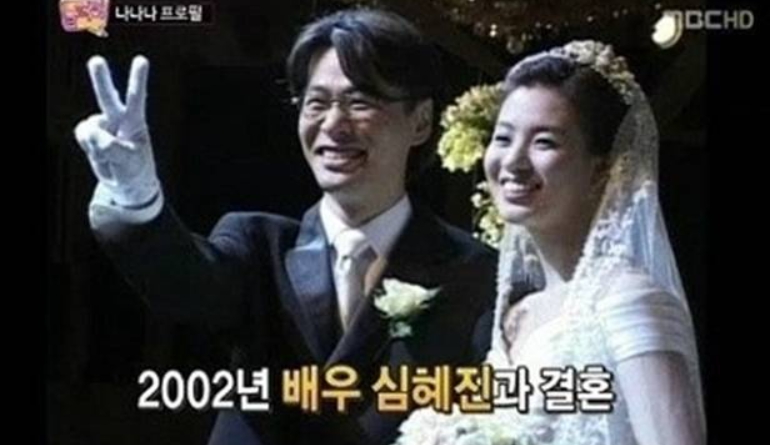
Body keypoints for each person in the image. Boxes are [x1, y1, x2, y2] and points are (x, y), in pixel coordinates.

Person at [72, 8, 497, 445]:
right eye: (316, 103)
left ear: (420, 121)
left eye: (359, 103)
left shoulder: (475, 271)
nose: (333, 125)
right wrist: (136, 195)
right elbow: (187, 285)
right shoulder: (257, 245)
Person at [396, 41, 705, 445]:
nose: (513, 161)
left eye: (545, 142)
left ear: (602, 170)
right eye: (503, 138)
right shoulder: (519, 313)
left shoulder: (628, 301)